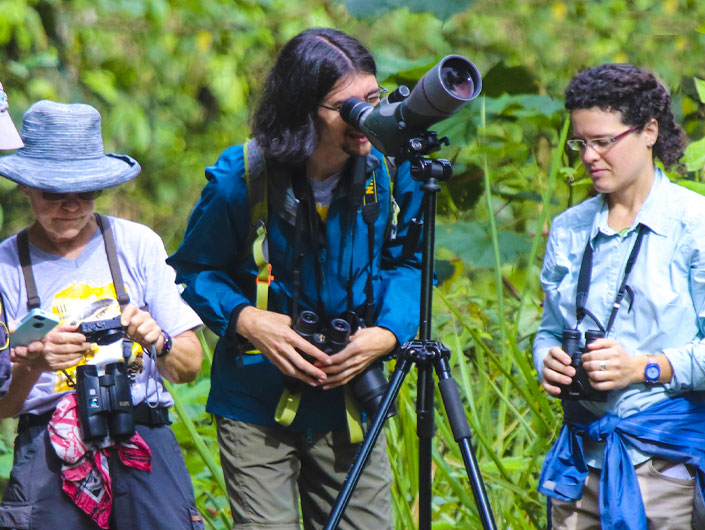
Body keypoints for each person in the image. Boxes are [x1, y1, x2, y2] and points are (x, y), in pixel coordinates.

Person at [168, 27, 424, 529]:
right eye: (346, 108)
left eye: (373, 99)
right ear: (303, 110)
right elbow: (193, 271)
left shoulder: (393, 168)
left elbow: (413, 263)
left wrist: (388, 333)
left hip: (350, 398)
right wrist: (248, 320)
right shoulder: (243, 178)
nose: (366, 117)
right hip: (257, 400)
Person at [0, 100, 205, 530]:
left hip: (140, 426)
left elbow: (189, 365)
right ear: (27, 187)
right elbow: (4, 407)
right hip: (46, 443)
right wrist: (34, 363)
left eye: (86, 192)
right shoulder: (6, 267)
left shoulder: (137, 244)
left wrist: (157, 340)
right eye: (55, 193)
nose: (72, 206)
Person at [534, 63, 705, 529]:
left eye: (604, 141)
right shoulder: (570, 229)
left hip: (664, 463)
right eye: (580, 142)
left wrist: (642, 367)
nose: (589, 156)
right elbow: (549, 329)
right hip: (578, 462)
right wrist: (547, 358)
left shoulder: (694, 225)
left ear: (649, 131)